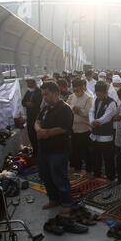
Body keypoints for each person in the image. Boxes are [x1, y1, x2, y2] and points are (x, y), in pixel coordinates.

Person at [35, 81, 76, 213]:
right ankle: (53, 198)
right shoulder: (45, 108)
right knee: (45, 175)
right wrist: (39, 130)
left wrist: (46, 133)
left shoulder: (65, 109)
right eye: (43, 95)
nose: (44, 97)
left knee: (59, 176)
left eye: (46, 94)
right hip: (44, 149)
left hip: (58, 150)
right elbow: (37, 122)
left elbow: (63, 128)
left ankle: (67, 203)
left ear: (56, 93)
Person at [89, 81, 117, 181]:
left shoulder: (112, 102)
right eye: (97, 93)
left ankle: (110, 178)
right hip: (95, 134)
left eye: (100, 94)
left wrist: (97, 121)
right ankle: (97, 174)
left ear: (105, 92)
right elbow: (91, 111)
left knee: (108, 159)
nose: (98, 96)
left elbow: (107, 117)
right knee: (95, 157)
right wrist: (92, 121)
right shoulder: (95, 99)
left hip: (106, 136)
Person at [67, 79, 93, 174]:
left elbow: (87, 113)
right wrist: (74, 109)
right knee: (74, 150)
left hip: (84, 129)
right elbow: (67, 108)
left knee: (86, 151)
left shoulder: (88, 98)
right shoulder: (71, 97)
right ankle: (76, 167)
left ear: (83, 87)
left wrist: (76, 109)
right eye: (74, 88)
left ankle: (89, 170)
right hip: (73, 128)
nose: (76, 91)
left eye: (78, 88)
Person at [22, 79, 43, 156]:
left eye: (29, 84)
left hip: (37, 116)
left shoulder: (39, 92)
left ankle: (40, 150)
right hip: (30, 116)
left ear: (33, 83)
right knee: (31, 133)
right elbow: (23, 102)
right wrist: (28, 104)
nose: (28, 86)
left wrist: (32, 105)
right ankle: (35, 149)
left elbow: (39, 104)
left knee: (37, 133)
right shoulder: (28, 92)